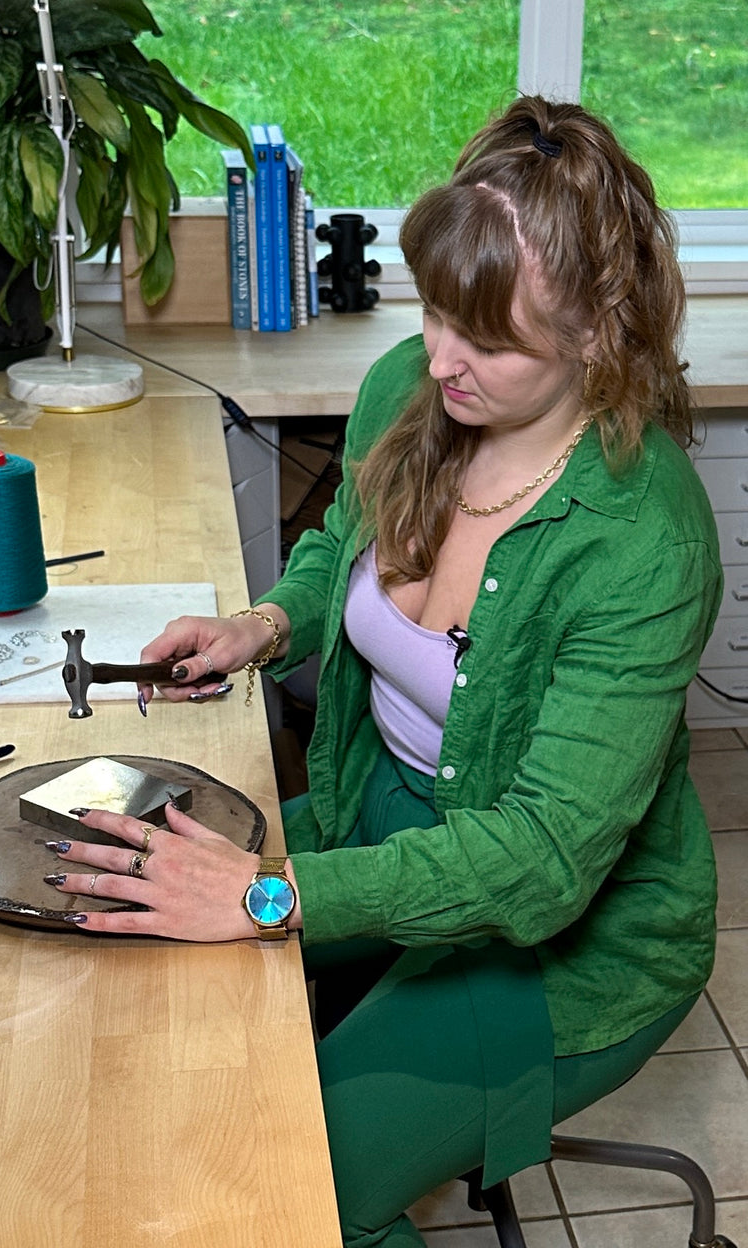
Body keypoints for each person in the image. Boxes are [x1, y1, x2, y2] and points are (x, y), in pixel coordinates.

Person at [43, 95, 723, 1246]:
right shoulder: (412, 384)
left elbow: (545, 863)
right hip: (382, 814)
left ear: (601, 332)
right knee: (129, 924)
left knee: (290, 1191)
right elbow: (341, 547)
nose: (442, 360)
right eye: (434, 311)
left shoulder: (643, 540)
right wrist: (265, 626)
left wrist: (267, 896)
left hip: (571, 933)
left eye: (490, 339)